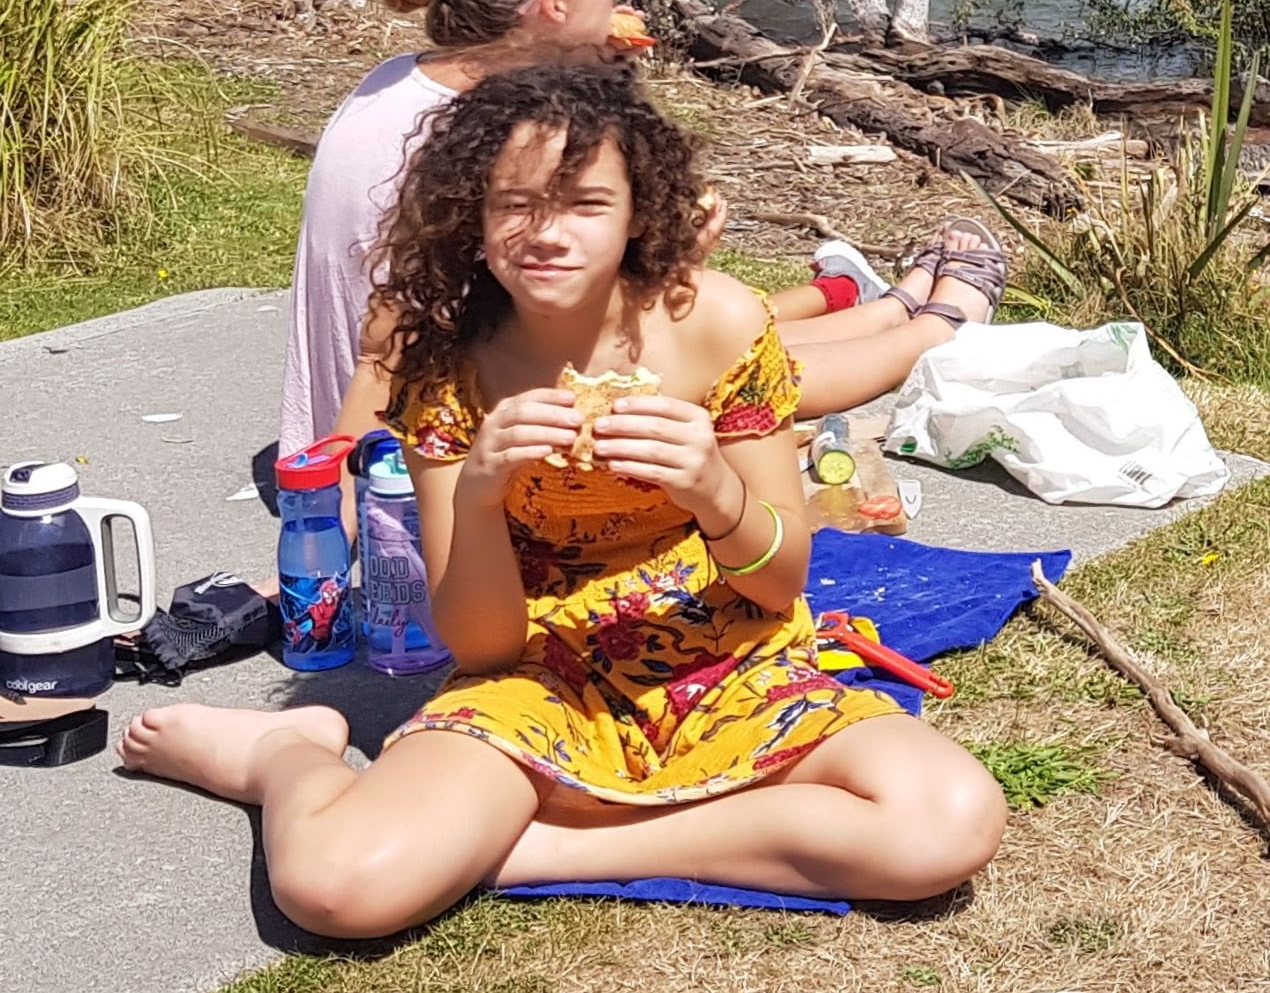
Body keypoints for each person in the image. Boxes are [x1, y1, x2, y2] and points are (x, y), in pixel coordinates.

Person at [123, 61, 1007, 935]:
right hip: (541, 678)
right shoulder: (448, 366)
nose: (548, 234)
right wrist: (476, 492)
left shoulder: (722, 324)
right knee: (332, 890)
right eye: (515, 205)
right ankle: (285, 755)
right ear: (470, 217)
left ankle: (543, 851)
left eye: (586, 204)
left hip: (730, 658)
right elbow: (480, 643)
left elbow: (780, 585)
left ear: (637, 217)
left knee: (949, 821)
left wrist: (713, 490)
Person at [285, 0, 991, 457]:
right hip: (428, 428)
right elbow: (573, 307)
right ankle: (929, 327)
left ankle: (866, 302)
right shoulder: (485, 137)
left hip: (357, 405)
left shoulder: (400, 82)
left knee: (696, 317)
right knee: (720, 349)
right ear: (554, 4)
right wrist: (681, 252)